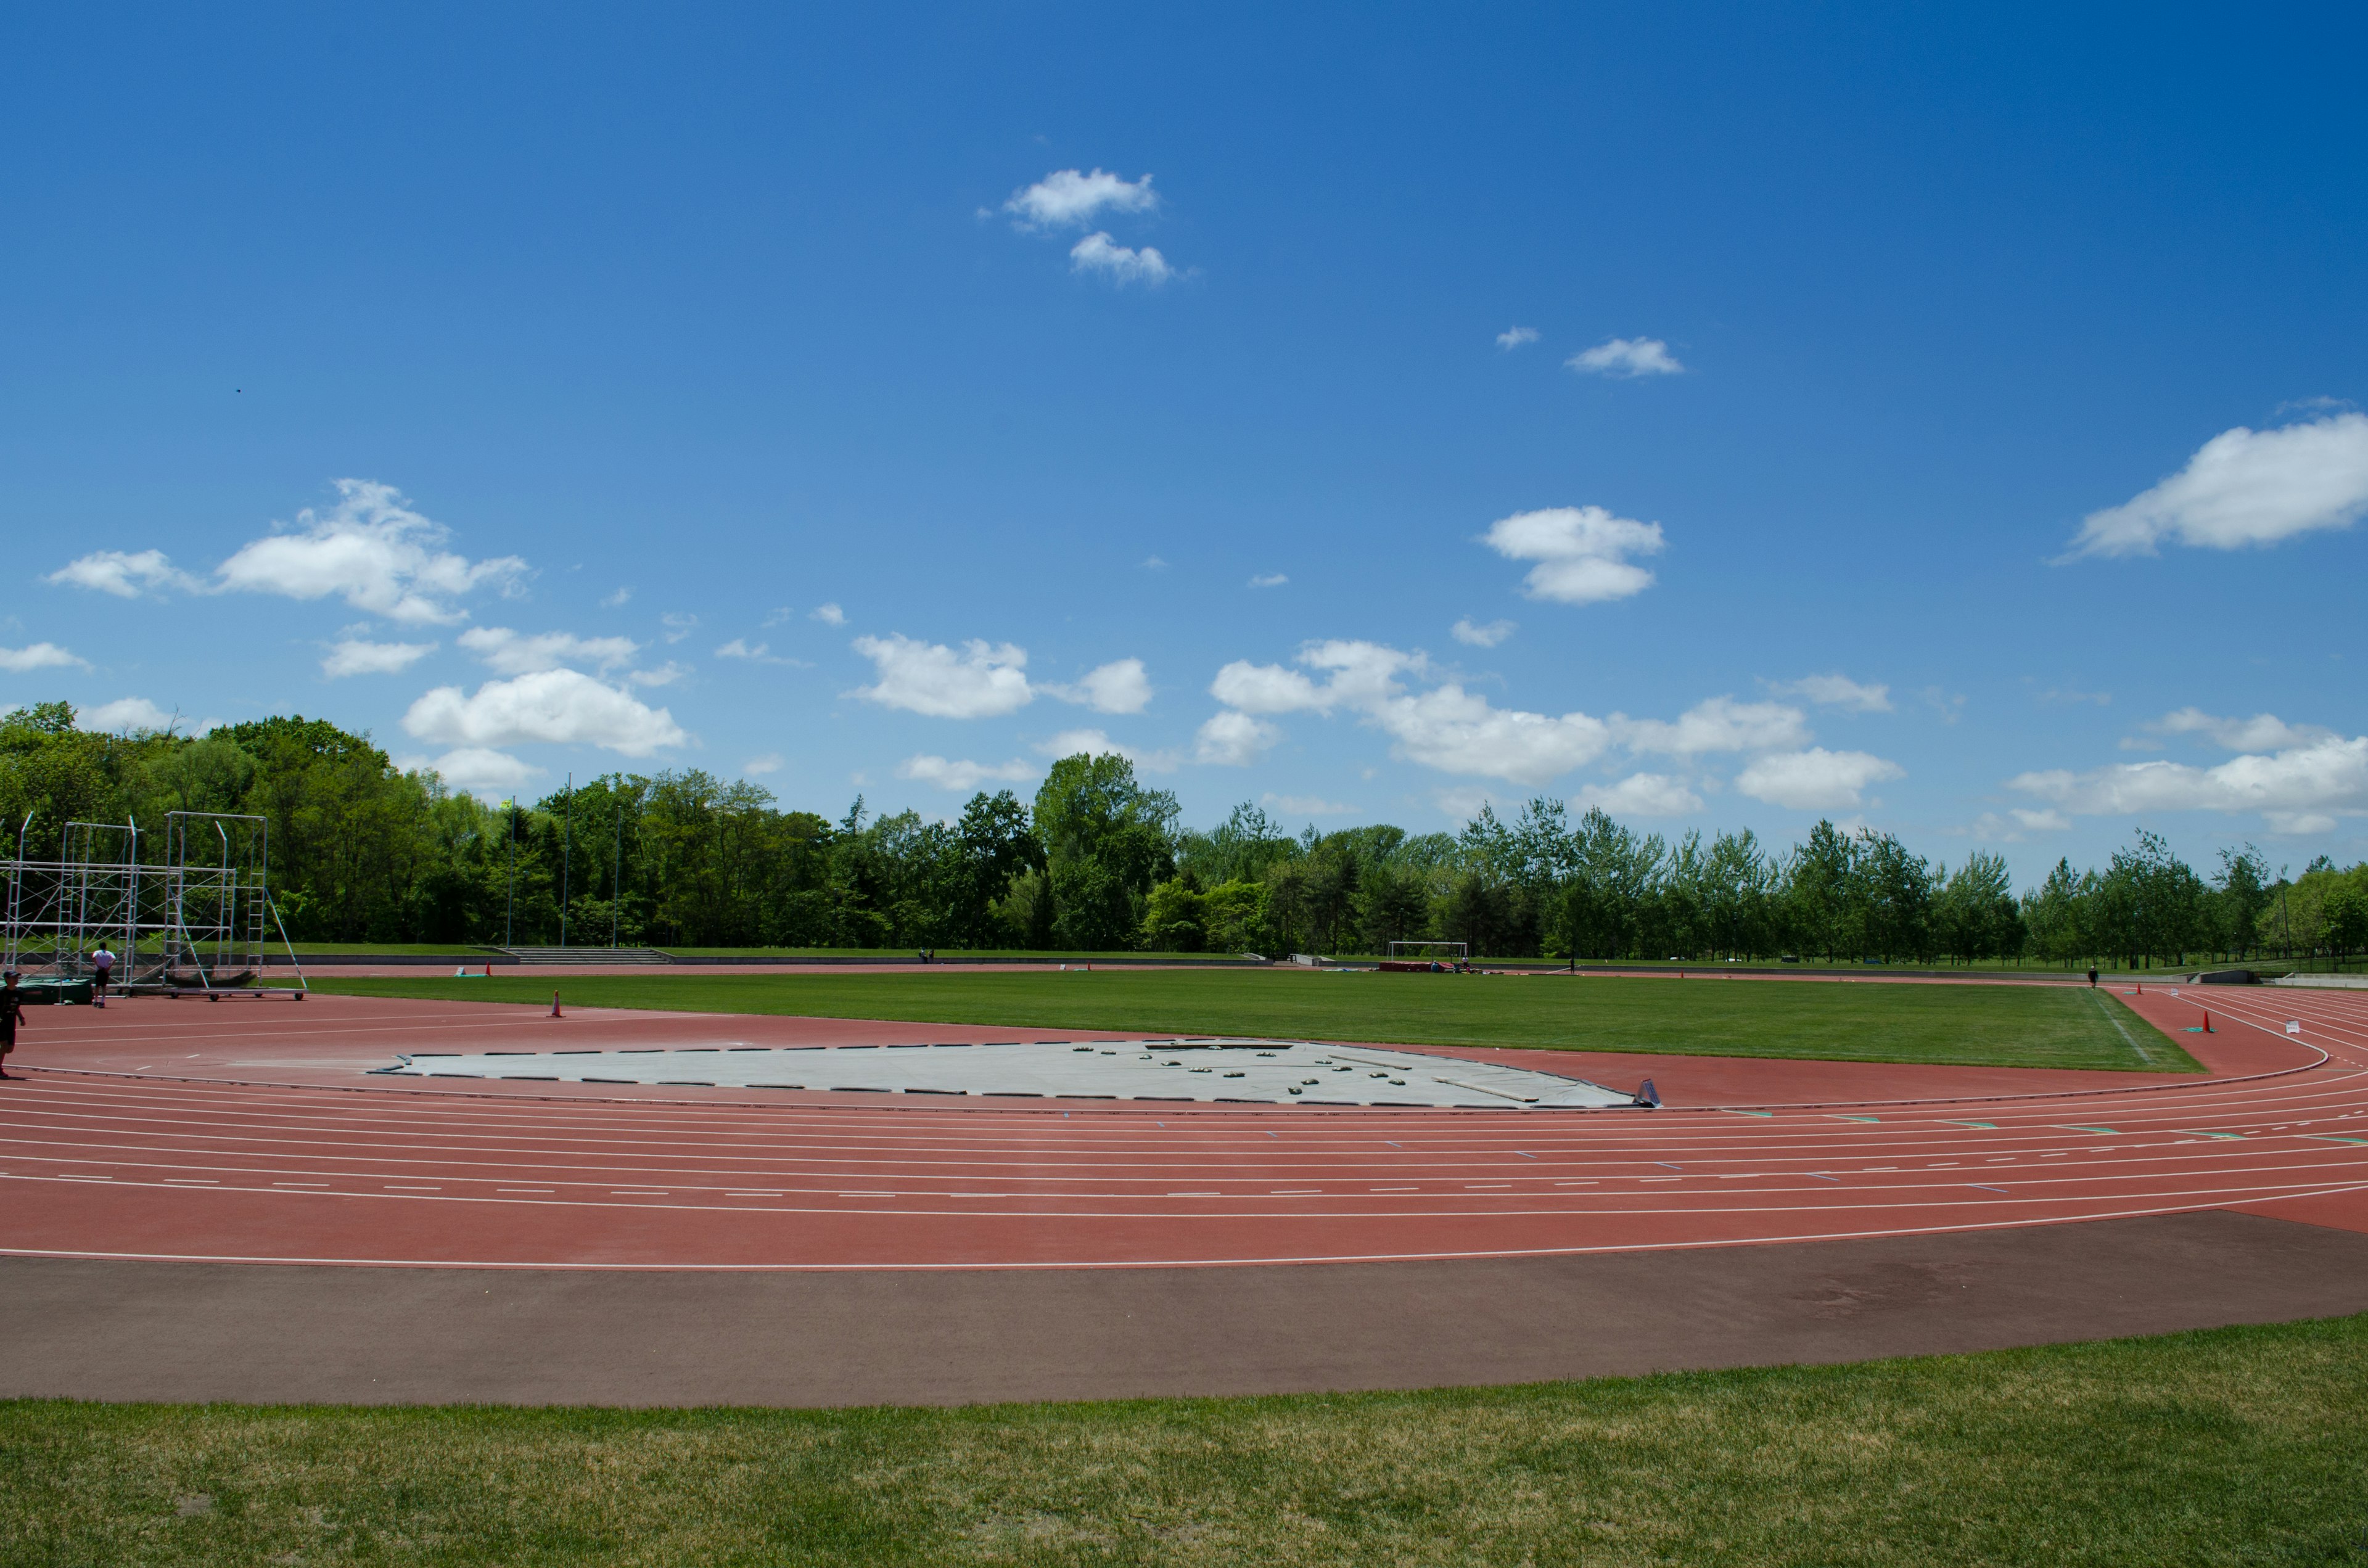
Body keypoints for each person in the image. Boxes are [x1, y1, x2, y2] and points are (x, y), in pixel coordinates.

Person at [0, 971, 23, 1080]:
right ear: (7, 979)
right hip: (1, 1022)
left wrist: (21, 1018)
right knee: (4, 1045)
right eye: (14, 978)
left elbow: (16, 1007)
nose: (16, 980)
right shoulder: (2, 993)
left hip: (11, 1022)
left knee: (9, 1049)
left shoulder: (19, 993)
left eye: (17, 978)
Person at [89, 944, 117, 1008]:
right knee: (104, 986)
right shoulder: (109, 953)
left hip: (99, 970)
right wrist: (109, 967)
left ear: (100, 947)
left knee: (97, 986)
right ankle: (102, 1001)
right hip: (106, 970)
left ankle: (96, 1001)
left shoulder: (97, 952)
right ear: (106, 947)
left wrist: (98, 965)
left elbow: (94, 957)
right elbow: (115, 959)